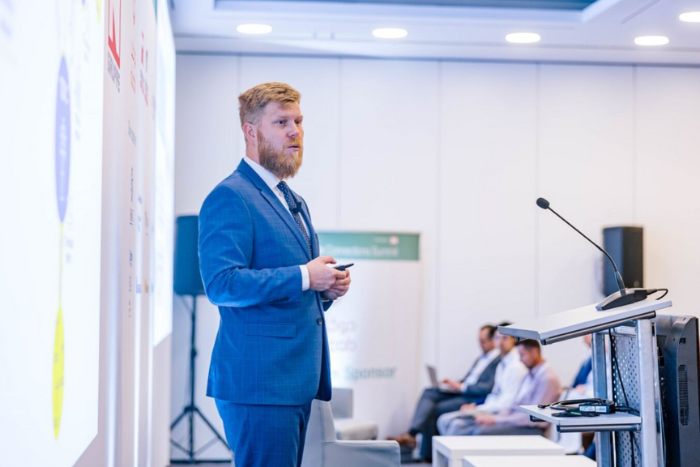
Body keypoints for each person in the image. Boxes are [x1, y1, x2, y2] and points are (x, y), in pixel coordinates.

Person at [198, 82, 351, 467]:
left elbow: (293, 291)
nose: (295, 132)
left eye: (298, 121)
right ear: (251, 132)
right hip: (259, 385)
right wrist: (305, 276)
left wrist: (324, 290)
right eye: (281, 122)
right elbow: (222, 284)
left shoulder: (292, 199)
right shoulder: (231, 196)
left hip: (290, 382)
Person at [389, 324, 501, 461]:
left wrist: (462, 387)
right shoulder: (481, 358)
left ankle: (425, 452)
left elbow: (488, 388)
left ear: (492, 340)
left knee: (433, 409)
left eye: (483, 341)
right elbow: (469, 379)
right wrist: (454, 384)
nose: (480, 344)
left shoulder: (498, 360)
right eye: (479, 340)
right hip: (461, 391)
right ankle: (413, 435)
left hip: (471, 396)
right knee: (429, 392)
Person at [438, 339, 561, 436]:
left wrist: (497, 420)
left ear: (535, 352)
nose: (520, 360)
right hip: (515, 420)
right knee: (464, 425)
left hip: (530, 428)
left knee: (479, 432)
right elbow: (514, 405)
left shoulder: (546, 378)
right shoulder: (529, 375)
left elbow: (534, 418)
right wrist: (495, 417)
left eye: (522, 355)